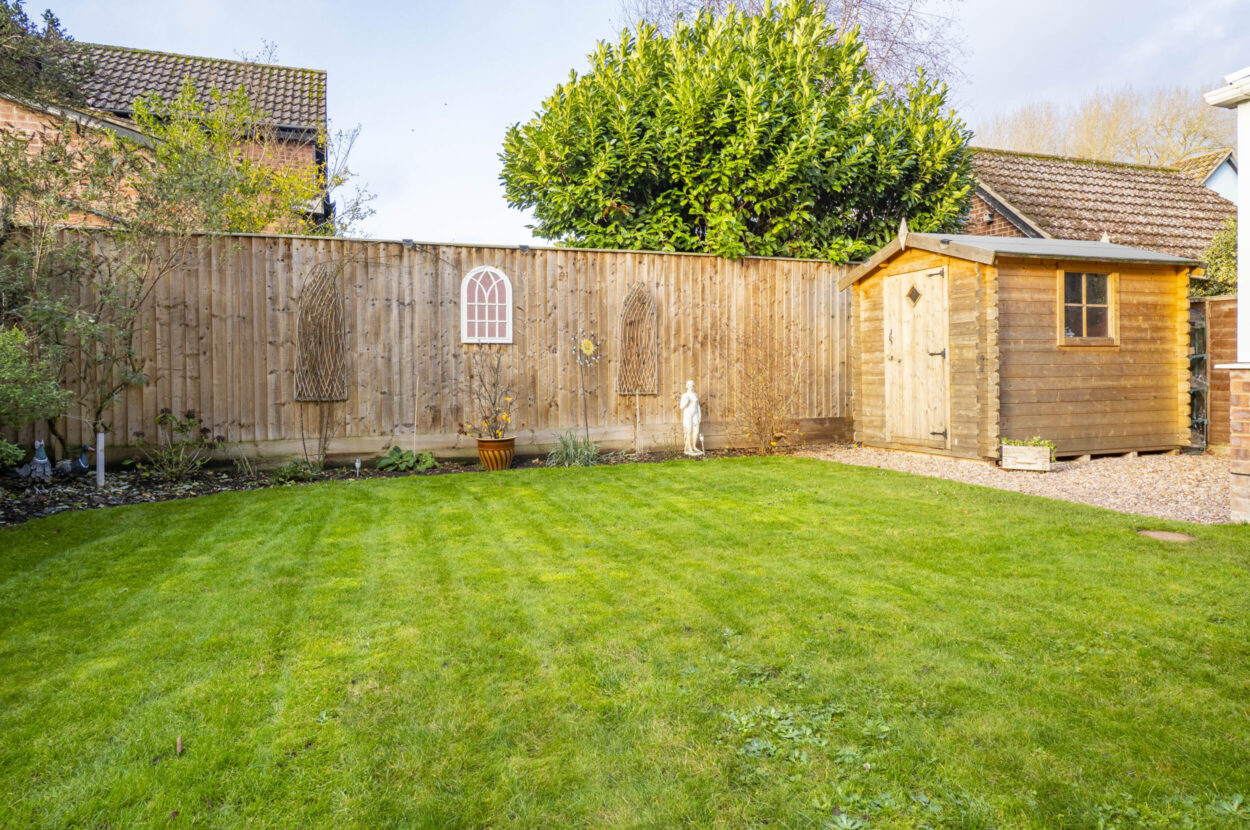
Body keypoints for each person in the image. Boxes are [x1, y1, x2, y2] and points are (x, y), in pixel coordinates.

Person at [679, 380, 704, 456]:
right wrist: (686, 402)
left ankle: (694, 446)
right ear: (687, 386)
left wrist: (699, 415)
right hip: (688, 413)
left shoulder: (695, 395)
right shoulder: (685, 395)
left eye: (692, 385)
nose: (691, 386)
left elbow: (697, 405)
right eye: (689, 385)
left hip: (695, 413)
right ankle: (689, 448)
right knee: (689, 430)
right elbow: (681, 407)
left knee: (696, 430)